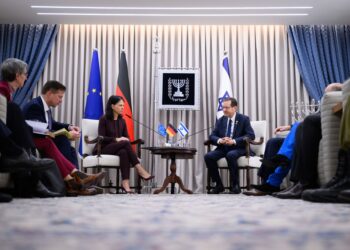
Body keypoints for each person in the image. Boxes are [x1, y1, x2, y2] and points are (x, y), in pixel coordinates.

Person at [96, 95, 154, 193]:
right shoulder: (104, 119)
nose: (122, 107)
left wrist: (122, 140)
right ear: (112, 106)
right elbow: (101, 138)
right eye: (120, 105)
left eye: (123, 105)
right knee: (125, 143)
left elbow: (126, 137)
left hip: (118, 148)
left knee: (123, 152)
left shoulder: (122, 121)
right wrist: (116, 139)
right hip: (104, 148)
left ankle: (125, 183)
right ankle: (139, 169)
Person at [23, 80, 80, 168]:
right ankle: (71, 176)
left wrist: (69, 127)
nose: (61, 101)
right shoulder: (34, 106)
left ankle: (77, 176)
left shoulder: (44, 106)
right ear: (49, 93)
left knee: (71, 149)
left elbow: (52, 124)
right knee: (63, 139)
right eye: (59, 97)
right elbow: (40, 130)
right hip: (35, 140)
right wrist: (67, 134)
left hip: (43, 137)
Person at [204, 97, 255, 194]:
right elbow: (212, 136)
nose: (224, 110)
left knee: (231, 155)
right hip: (223, 147)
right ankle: (219, 185)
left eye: (226, 107)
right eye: (223, 107)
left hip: (239, 148)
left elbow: (251, 135)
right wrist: (220, 140)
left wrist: (234, 141)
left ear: (234, 108)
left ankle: (235, 185)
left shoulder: (244, 119)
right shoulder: (221, 120)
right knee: (208, 156)